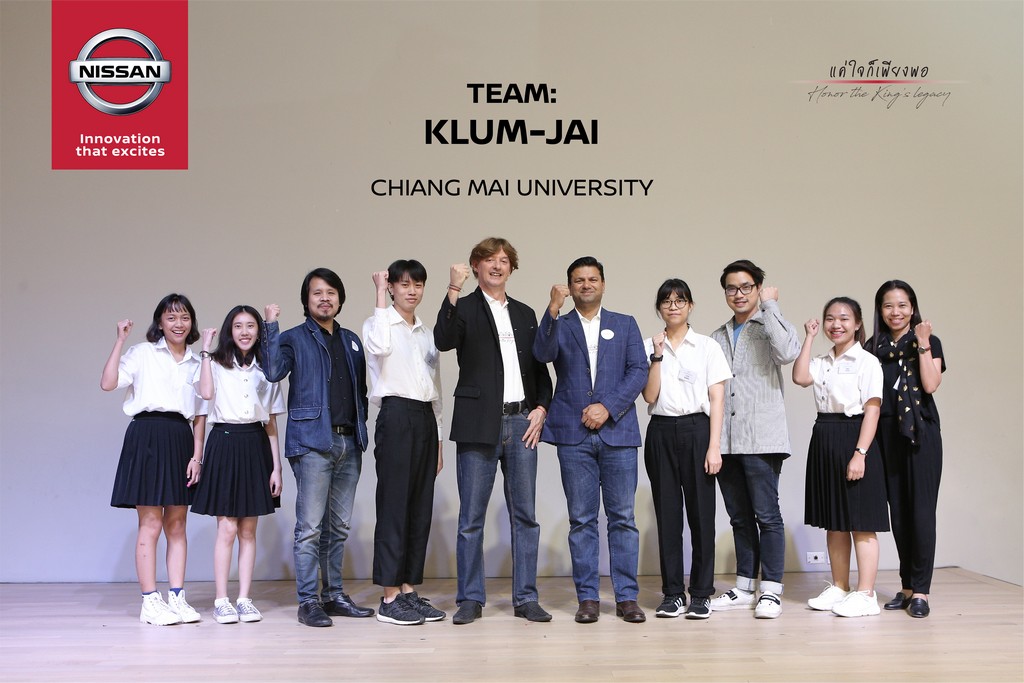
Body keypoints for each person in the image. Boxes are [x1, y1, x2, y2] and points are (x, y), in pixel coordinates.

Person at [434, 238, 553, 625]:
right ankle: (470, 598)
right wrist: (453, 289)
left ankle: (526, 598)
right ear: (476, 266)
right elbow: (443, 340)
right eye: (489, 260)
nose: (497, 266)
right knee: (471, 518)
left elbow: (539, 369)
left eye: (504, 260)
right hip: (477, 422)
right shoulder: (464, 307)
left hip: (522, 423)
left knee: (526, 517)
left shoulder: (524, 312)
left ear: (511, 268)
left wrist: (541, 408)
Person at [533, 256, 648, 624]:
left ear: (603, 284)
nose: (586, 285)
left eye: (592, 279)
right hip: (573, 434)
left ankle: (627, 597)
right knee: (582, 520)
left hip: (618, 433)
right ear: (570, 287)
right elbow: (541, 354)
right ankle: (587, 598)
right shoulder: (560, 324)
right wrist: (552, 309)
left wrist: (607, 407)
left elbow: (639, 370)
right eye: (579, 280)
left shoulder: (624, 324)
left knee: (623, 518)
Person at [262, 268, 373, 627]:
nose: (325, 299)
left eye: (331, 293)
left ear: (340, 299)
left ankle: (334, 595)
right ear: (306, 300)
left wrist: (360, 427)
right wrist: (270, 327)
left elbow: (360, 392)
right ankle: (309, 600)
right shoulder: (294, 338)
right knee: (310, 527)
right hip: (312, 441)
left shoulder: (351, 340)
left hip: (349, 442)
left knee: (338, 527)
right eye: (317, 293)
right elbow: (272, 371)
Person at [101, 293, 207, 625]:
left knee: (177, 524)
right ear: (159, 322)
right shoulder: (142, 353)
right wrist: (120, 341)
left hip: (180, 438)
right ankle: (149, 601)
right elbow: (108, 383)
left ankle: (177, 597)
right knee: (150, 523)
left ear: (192, 322)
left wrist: (197, 456)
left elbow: (201, 414)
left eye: (184, 317)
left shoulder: (197, 362)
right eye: (171, 317)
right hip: (146, 435)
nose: (179, 323)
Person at [709, 260, 800, 619]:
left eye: (746, 287)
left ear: (759, 288)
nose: (739, 294)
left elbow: (788, 352)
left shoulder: (771, 324)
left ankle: (771, 591)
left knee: (767, 515)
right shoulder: (717, 335)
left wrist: (771, 305)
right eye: (732, 288)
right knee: (739, 517)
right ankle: (745, 587)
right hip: (726, 441)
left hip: (762, 438)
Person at [793, 297, 887, 618]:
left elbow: (872, 411)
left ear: (857, 324)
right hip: (824, 436)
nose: (836, 324)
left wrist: (860, 453)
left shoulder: (867, 362)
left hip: (855, 435)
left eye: (844, 318)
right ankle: (840, 587)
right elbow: (800, 377)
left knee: (861, 522)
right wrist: (808, 337)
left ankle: (867, 594)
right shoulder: (822, 361)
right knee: (834, 521)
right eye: (830, 319)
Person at [642, 279, 731, 619]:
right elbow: (649, 396)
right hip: (661, 430)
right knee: (667, 517)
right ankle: (673, 594)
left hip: (698, 430)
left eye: (680, 300)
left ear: (690, 305)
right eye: (666, 301)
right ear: (659, 308)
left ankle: (702, 593)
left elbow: (717, 399)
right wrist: (656, 356)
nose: (673, 306)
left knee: (701, 516)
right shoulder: (650, 345)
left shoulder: (707, 346)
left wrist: (714, 446)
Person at [364, 261, 446, 626]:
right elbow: (379, 346)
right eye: (404, 284)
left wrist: (439, 440)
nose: (412, 291)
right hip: (396, 415)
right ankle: (389, 596)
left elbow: (436, 388)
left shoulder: (427, 333)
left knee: (419, 508)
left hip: (425, 418)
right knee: (394, 506)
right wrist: (378, 294)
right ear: (392, 288)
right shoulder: (378, 323)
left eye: (418, 285)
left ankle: (409, 590)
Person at [193, 305, 284, 624]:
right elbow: (205, 397)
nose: (245, 332)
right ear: (229, 331)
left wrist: (277, 467)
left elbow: (271, 421)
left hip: (255, 444)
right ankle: (221, 600)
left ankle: (244, 598)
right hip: (224, 441)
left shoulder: (267, 370)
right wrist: (206, 351)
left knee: (248, 528)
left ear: (259, 331)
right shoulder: (215, 364)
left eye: (251, 325)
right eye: (238, 326)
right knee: (227, 527)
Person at [865, 280, 945, 619]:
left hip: (920, 432)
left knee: (921, 512)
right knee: (898, 512)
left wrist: (923, 344)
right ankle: (908, 586)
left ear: (912, 308)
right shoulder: (872, 347)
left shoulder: (928, 341)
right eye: (888, 305)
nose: (895, 312)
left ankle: (922, 591)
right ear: (880, 310)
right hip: (885, 434)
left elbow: (930, 384)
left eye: (902, 305)